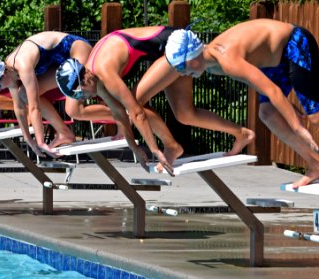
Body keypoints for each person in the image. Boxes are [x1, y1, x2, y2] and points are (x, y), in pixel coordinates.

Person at [56, 26, 255, 173]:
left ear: (85, 78)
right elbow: (119, 114)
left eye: (83, 94)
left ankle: (171, 146)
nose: (87, 98)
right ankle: (241, 133)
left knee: (136, 101)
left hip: (174, 47)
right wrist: (133, 146)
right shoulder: (94, 77)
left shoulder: (104, 72)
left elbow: (137, 113)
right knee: (185, 114)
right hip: (164, 55)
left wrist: (153, 149)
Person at [164, 18, 319, 187]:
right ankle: (315, 164)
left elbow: (272, 91)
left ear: (192, 55)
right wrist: (287, 108)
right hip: (274, 59)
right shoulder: (211, 64)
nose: (183, 73)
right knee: (267, 113)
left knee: (315, 118)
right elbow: (262, 86)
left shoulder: (226, 60)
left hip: (295, 43)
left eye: (181, 67)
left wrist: (298, 129)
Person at [0, 31, 97, 157]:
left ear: (3, 75)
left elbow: (35, 107)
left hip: (76, 49)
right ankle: (64, 133)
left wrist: (40, 141)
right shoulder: (10, 72)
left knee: (73, 110)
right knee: (22, 94)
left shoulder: (22, 65)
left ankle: (117, 118)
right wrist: (29, 140)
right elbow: (18, 107)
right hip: (63, 62)